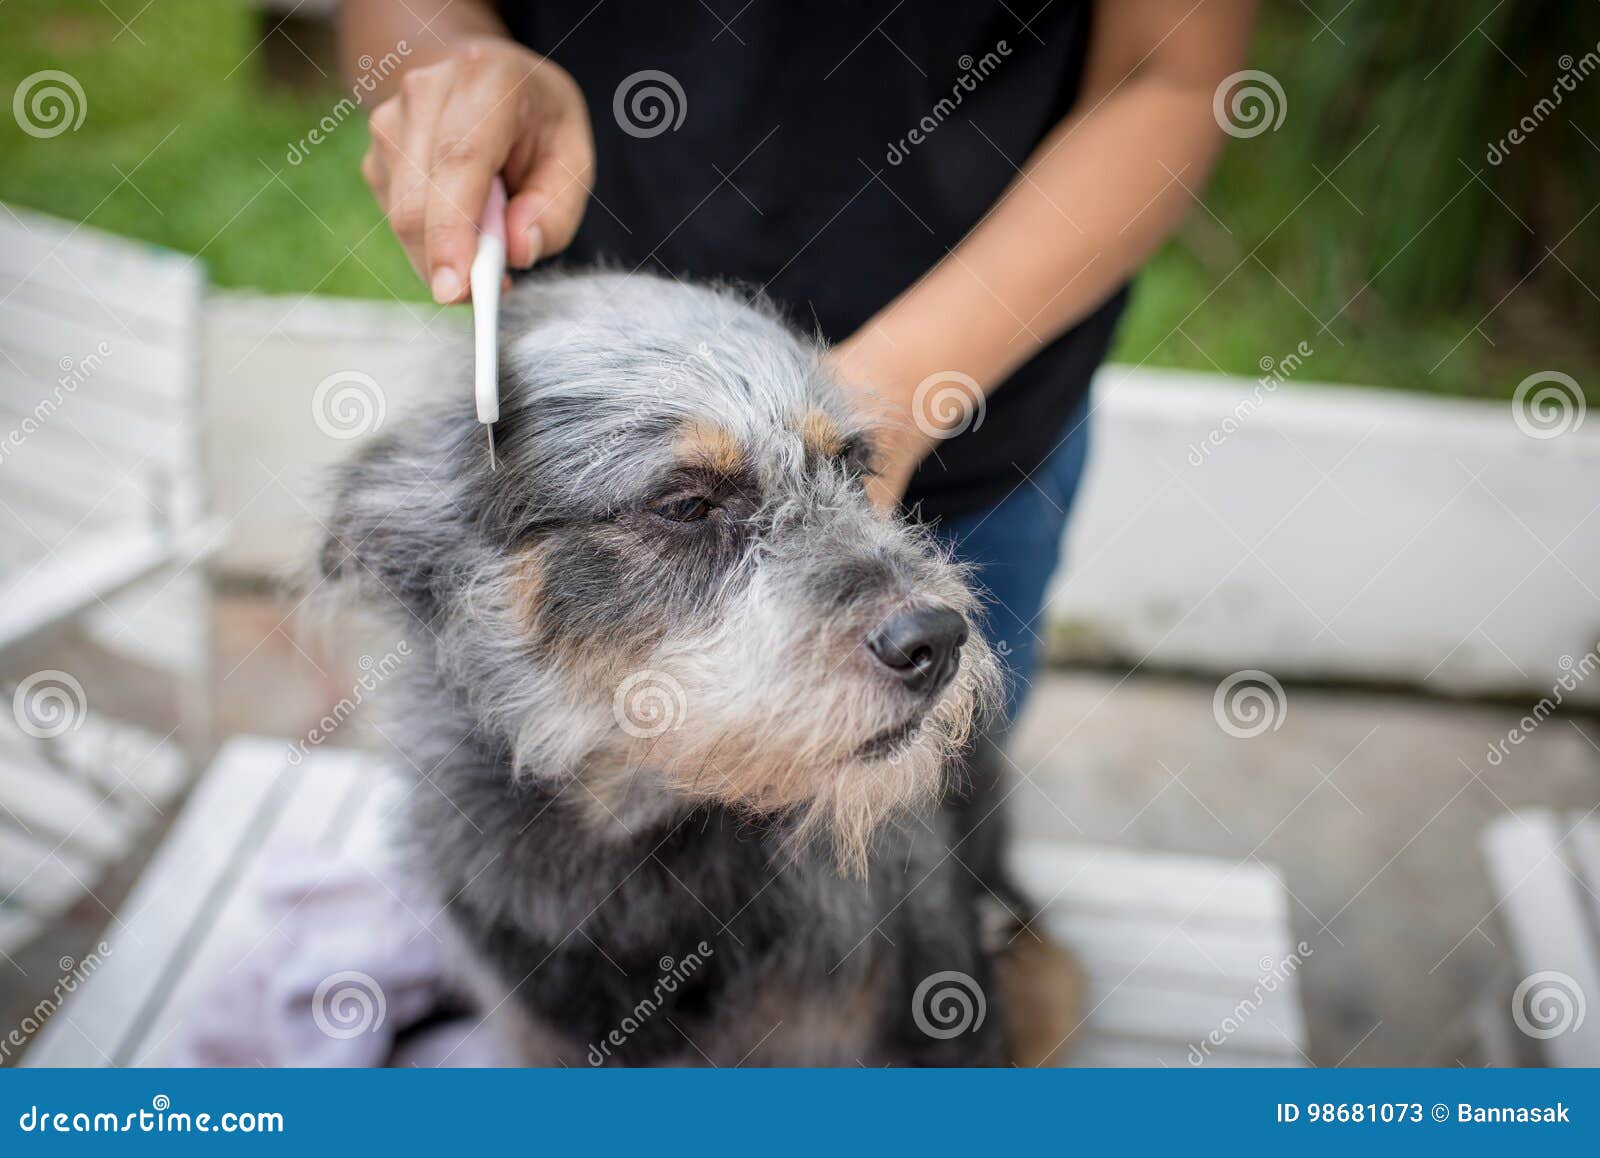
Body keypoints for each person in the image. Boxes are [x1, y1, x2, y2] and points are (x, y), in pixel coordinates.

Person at [343, 0, 1256, 725]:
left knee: (901, 897)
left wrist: (886, 403)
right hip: (579, 431)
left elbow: (1168, 73)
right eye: (694, 507)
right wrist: (452, 60)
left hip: (970, 395)